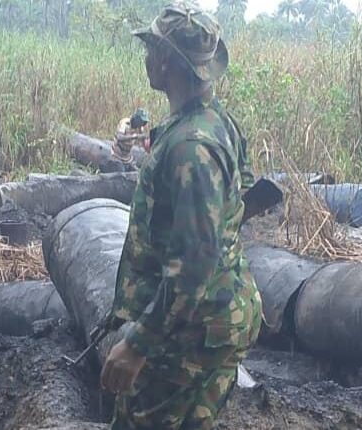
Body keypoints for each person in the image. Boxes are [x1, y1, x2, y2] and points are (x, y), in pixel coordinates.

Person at [100, 3, 261, 429]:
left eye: (151, 47)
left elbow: (194, 264)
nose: (146, 56)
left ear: (167, 60)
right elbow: (238, 199)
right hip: (211, 320)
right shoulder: (211, 122)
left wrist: (138, 342)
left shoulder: (192, 148)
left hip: (191, 335)